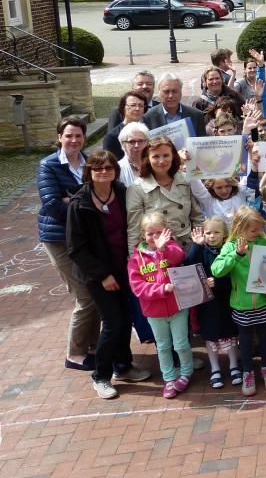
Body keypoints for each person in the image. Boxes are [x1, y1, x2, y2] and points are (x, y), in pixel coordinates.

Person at [66, 151, 152, 398]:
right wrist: (103, 275)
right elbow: (76, 248)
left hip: (124, 268)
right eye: (98, 168)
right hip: (97, 274)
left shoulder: (123, 193)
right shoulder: (79, 204)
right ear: (89, 173)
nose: (104, 172)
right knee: (113, 323)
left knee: (125, 319)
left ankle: (123, 366)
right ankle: (101, 376)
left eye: (108, 168)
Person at [38, 116, 99, 372]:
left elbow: (95, 193)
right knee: (85, 295)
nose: (74, 140)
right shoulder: (49, 165)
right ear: (59, 137)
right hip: (59, 239)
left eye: (78, 136)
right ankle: (74, 354)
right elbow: (52, 205)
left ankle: (94, 347)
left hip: (84, 238)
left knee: (95, 292)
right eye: (69, 135)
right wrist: (85, 205)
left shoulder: (89, 161)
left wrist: (72, 200)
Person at [211, 207, 266, 397]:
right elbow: (217, 270)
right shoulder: (229, 246)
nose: (256, 233)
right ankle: (248, 372)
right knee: (246, 340)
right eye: (252, 230)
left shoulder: (263, 242)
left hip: (264, 301)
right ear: (239, 228)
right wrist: (237, 254)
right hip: (241, 305)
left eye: (258, 229)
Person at [128, 212, 194, 399]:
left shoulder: (171, 247)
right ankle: (169, 378)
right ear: (142, 235)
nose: (155, 238)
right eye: (151, 234)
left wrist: (163, 248)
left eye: (159, 233)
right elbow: (137, 287)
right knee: (163, 346)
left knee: (181, 344)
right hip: (154, 312)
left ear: (167, 232)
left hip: (178, 307)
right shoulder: (135, 260)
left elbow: (177, 257)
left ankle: (187, 373)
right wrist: (160, 289)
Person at [184, 217, 241, 387]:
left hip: (226, 301)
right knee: (210, 337)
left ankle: (233, 365)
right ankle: (215, 368)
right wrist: (196, 245)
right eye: (208, 232)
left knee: (230, 333)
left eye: (216, 232)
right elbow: (190, 265)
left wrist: (219, 281)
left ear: (224, 234)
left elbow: (234, 274)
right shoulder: (201, 250)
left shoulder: (228, 250)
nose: (211, 236)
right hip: (207, 304)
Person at [126, 135, 204, 254]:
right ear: (147, 159)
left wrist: (199, 247)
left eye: (166, 155)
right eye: (156, 156)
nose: (161, 161)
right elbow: (135, 229)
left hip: (189, 249)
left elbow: (197, 216)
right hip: (159, 255)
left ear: (173, 156)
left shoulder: (185, 180)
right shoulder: (137, 189)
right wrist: (135, 261)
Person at [143, 73, 206, 137]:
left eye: (174, 91)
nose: (170, 96)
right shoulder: (147, 117)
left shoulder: (196, 115)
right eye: (166, 92)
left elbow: (201, 144)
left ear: (181, 93)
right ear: (159, 93)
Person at [103, 90, 150, 160]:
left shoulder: (148, 130)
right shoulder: (112, 136)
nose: (137, 109)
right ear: (123, 107)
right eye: (133, 105)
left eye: (141, 105)